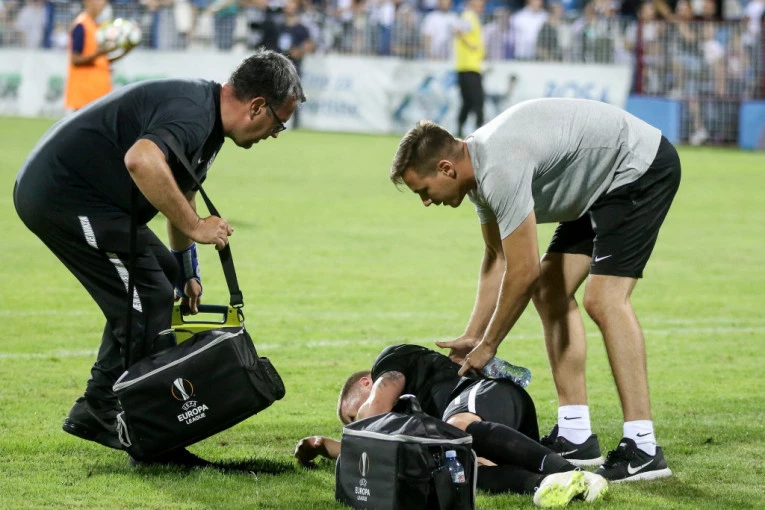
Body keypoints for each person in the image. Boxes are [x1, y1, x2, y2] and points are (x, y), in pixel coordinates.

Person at [14, 49, 305, 466]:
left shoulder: (207, 121)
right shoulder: (194, 113)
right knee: (148, 298)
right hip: (64, 196)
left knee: (161, 281)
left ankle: (101, 407)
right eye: (279, 123)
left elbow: (180, 192)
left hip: (87, 200)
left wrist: (186, 270)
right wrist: (196, 226)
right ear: (257, 106)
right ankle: (133, 423)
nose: (275, 134)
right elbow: (142, 159)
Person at [388, 98, 680, 483]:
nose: (427, 201)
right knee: (549, 290)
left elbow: (523, 271)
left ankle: (643, 448)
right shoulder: (477, 175)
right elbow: (497, 257)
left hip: (636, 167)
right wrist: (474, 336)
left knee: (604, 299)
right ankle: (575, 434)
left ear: (446, 168)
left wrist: (490, 345)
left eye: (423, 190)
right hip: (599, 183)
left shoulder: (499, 166)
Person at [295, 344, 608, 508]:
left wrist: (350, 442)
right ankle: (547, 484)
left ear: (367, 382)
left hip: (485, 394)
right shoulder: (411, 430)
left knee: (458, 426)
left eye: (353, 416)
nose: (359, 425)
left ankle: (571, 471)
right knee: (457, 471)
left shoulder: (390, 361)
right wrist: (324, 446)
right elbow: (384, 452)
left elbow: (376, 411)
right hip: (506, 436)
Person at [64, 0, 136, 111]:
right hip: (84, 92)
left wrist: (125, 51)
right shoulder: (81, 26)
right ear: (88, 2)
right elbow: (75, 60)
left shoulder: (96, 26)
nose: (103, 3)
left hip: (98, 92)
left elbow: (103, 60)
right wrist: (98, 53)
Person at [454, 0, 485, 138]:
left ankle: (460, 128)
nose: (482, 5)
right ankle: (481, 131)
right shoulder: (469, 16)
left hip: (467, 66)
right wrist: (471, 45)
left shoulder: (470, 17)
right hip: (469, 67)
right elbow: (459, 31)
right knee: (478, 100)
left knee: (467, 101)